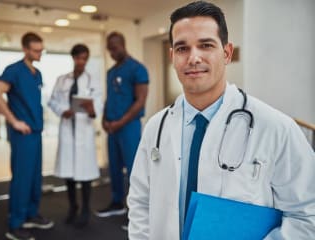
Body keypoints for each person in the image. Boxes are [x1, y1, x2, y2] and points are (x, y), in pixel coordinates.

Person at [127, 1, 315, 240]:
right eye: (182, 48)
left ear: (226, 53)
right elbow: (140, 201)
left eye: (206, 45)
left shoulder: (276, 128)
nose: (193, 58)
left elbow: (307, 215)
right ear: (172, 56)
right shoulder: (156, 126)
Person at [0, 32, 53, 240]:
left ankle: (31, 214)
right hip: (22, 134)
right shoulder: (14, 70)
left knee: (35, 177)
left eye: (41, 50)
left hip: (36, 132)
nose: (39, 53)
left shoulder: (38, 73)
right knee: (22, 178)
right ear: (25, 49)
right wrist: (14, 121)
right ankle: (15, 224)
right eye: (35, 50)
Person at [48, 44, 102, 228]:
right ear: (73, 58)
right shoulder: (62, 80)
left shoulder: (93, 80)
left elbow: (99, 106)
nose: (81, 62)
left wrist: (91, 109)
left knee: (86, 175)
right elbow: (52, 101)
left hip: (84, 130)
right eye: (78, 58)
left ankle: (86, 210)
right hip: (67, 129)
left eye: (84, 58)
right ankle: (73, 208)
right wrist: (63, 110)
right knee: (69, 175)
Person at [95, 32, 149, 219]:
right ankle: (117, 202)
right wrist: (103, 119)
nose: (111, 52)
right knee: (114, 167)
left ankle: (137, 211)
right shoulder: (111, 72)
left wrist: (120, 122)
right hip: (112, 128)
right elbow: (109, 98)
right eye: (109, 48)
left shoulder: (137, 69)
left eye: (114, 48)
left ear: (123, 44)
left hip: (129, 127)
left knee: (134, 169)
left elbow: (140, 101)